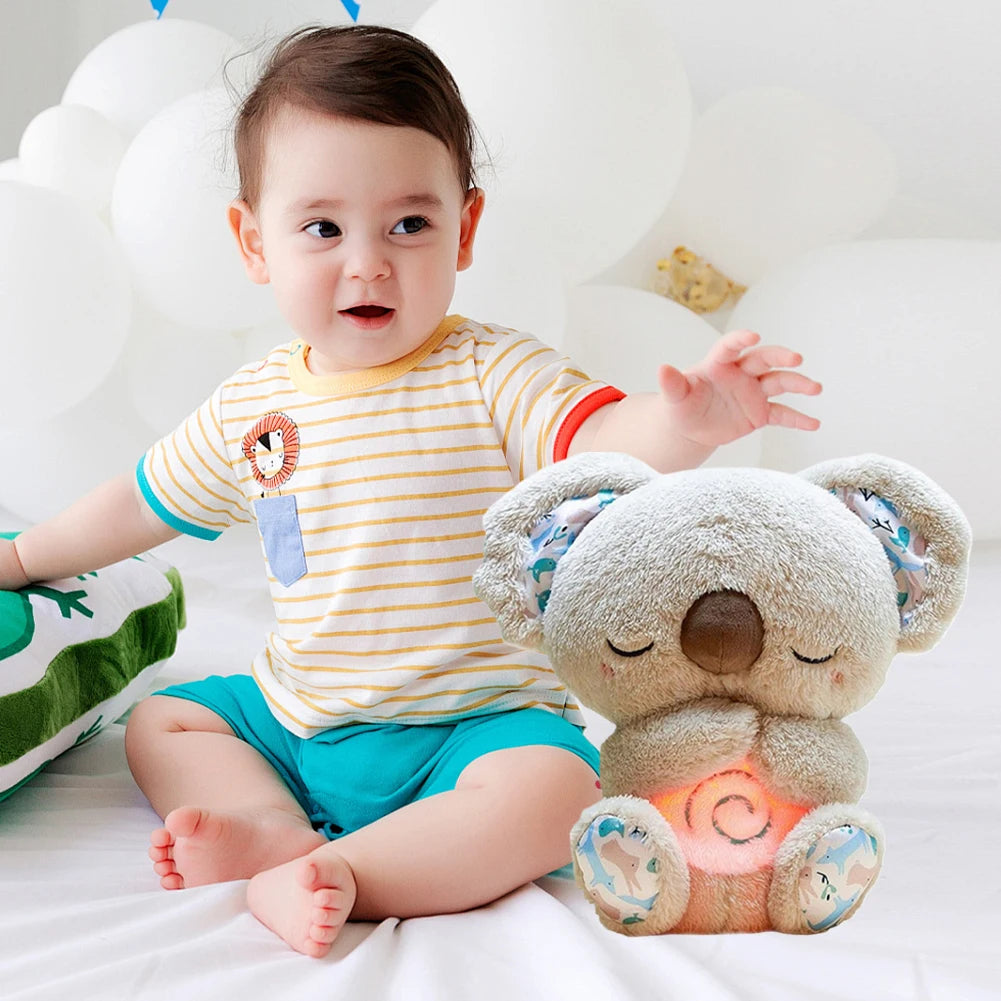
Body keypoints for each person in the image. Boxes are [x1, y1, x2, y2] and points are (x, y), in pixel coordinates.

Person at [0, 25, 822, 958]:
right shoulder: (254, 406)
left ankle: (349, 874)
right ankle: (271, 830)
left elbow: (597, 443)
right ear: (251, 240)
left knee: (556, 791)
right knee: (167, 719)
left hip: (471, 728)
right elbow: (137, 504)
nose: (367, 261)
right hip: (299, 721)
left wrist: (684, 425)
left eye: (408, 223)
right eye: (322, 227)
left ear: (463, 229)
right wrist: (23, 556)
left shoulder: (489, 371)